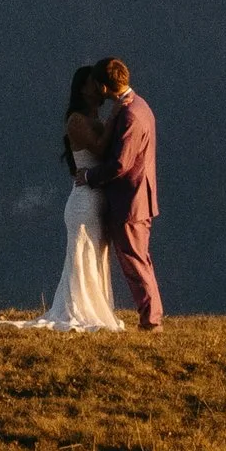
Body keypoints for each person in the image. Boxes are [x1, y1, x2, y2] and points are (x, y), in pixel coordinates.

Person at [37, 61, 123, 332]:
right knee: (82, 253)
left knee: (96, 253)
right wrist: (115, 117)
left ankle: (96, 304)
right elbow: (98, 147)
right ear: (83, 89)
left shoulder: (93, 120)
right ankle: (81, 306)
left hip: (96, 198)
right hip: (83, 201)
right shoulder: (76, 120)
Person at [93, 55, 162, 331]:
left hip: (129, 200)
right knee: (139, 259)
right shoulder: (140, 106)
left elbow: (121, 164)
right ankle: (151, 316)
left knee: (134, 261)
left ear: (104, 87)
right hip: (137, 198)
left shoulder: (131, 114)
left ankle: (151, 319)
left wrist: (89, 176)